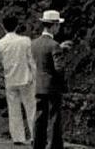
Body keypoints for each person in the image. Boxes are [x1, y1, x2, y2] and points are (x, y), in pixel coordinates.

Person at [32, 10, 73, 149]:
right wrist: (64, 85)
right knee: (55, 117)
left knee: (39, 116)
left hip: (38, 84)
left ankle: (38, 144)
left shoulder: (34, 43)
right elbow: (59, 68)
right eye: (58, 25)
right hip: (52, 87)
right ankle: (55, 145)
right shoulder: (54, 45)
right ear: (54, 26)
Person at [0, 15, 37, 146]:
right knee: (31, 108)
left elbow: (0, 62)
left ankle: (18, 137)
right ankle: (34, 135)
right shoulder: (25, 40)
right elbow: (31, 60)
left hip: (10, 79)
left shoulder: (0, 43)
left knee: (13, 109)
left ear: (3, 27)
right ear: (17, 26)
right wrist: (35, 76)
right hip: (26, 78)